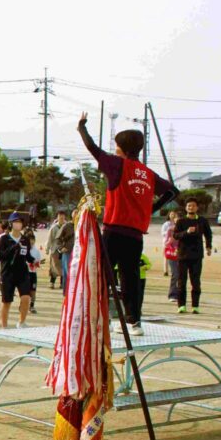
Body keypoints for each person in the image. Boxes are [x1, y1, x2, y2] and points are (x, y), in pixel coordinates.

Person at [78, 112, 178, 336]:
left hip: (113, 231)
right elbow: (173, 192)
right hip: (135, 236)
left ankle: (101, 319)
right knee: (130, 278)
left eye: (116, 146)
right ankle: (134, 323)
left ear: (121, 148)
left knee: (102, 276)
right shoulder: (148, 173)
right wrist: (151, 208)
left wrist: (81, 127)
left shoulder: (117, 165)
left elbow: (92, 148)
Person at [174, 197, 212, 314]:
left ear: (197, 207)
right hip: (183, 255)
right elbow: (175, 235)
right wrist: (186, 232)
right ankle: (181, 305)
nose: (191, 207)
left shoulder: (202, 221)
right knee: (182, 281)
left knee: (195, 282)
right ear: (186, 208)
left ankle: (195, 306)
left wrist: (208, 247)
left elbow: (208, 234)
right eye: (189, 206)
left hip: (196, 255)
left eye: (193, 205)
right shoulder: (181, 221)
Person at [0, 213, 35, 329]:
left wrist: (34, 260)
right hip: (7, 273)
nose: (18, 224)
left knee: (26, 297)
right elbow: (0, 256)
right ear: (11, 223)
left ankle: (21, 322)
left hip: (22, 273)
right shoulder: (4, 238)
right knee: (7, 301)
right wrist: (13, 248)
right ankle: (4, 326)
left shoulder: (25, 239)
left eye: (20, 222)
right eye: (15, 222)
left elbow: (27, 256)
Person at [55, 211, 75, 295]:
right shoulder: (67, 226)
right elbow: (57, 238)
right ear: (72, 216)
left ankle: (73, 293)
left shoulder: (81, 226)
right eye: (75, 215)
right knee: (67, 273)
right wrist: (61, 248)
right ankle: (66, 293)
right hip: (67, 253)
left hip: (78, 253)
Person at [24, 229, 43, 314]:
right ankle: (23, 305)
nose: (31, 243)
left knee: (33, 290)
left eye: (33, 241)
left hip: (33, 273)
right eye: (29, 241)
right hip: (25, 273)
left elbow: (38, 261)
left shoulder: (36, 251)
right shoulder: (24, 250)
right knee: (25, 291)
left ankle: (32, 306)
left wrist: (37, 264)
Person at [46, 211, 65, 289]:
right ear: (57, 217)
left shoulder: (66, 226)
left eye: (62, 216)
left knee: (63, 265)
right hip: (55, 249)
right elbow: (49, 238)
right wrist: (47, 248)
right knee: (54, 266)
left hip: (64, 249)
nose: (61, 218)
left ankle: (62, 283)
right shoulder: (54, 228)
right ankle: (52, 282)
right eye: (60, 216)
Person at [161, 210, 177, 277]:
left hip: (175, 243)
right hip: (167, 242)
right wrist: (169, 232)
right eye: (171, 214)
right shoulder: (166, 224)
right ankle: (165, 271)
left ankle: (173, 270)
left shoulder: (177, 223)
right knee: (166, 256)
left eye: (174, 214)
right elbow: (162, 233)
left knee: (174, 256)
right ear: (169, 215)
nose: (173, 215)